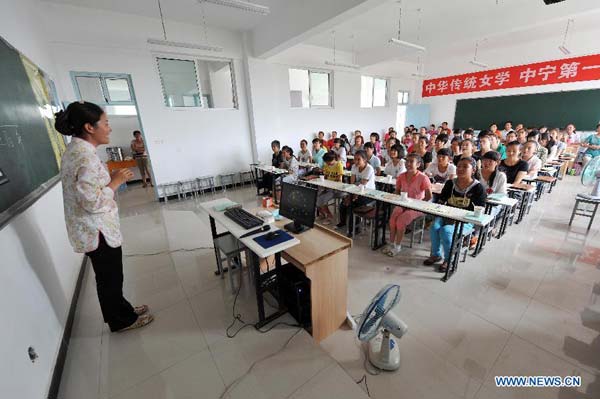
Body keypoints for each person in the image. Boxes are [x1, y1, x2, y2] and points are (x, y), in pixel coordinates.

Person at [57, 101, 153, 332]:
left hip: (91, 228)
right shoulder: (85, 156)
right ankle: (122, 320)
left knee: (109, 276)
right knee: (110, 278)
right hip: (97, 230)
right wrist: (117, 181)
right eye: (106, 123)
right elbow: (91, 201)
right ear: (90, 127)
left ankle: (122, 309)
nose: (109, 128)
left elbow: (88, 187)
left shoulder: (77, 150)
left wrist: (108, 178)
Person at [424, 158, 487, 272]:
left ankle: (449, 259)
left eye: (465, 167)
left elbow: (480, 210)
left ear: (473, 170)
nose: (460, 169)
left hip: (466, 220)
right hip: (447, 216)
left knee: (446, 231)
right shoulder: (450, 183)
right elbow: (441, 201)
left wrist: (460, 218)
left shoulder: (478, 188)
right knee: (434, 227)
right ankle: (436, 254)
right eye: (458, 166)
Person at [383, 154, 432, 257]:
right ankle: (391, 244)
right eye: (407, 161)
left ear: (418, 164)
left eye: (411, 162)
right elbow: (397, 191)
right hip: (403, 203)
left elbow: (429, 196)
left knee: (401, 221)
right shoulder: (401, 176)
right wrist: (394, 198)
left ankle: (397, 246)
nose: (408, 164)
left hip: (417, 207)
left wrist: (416, 204)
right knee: (392, 220)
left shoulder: (423, 178)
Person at [337, 150, 375, 231]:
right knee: (343, 204)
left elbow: (363, 184)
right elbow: (352, 183)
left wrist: (354, 197)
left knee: (353, 206)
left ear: (364, 160)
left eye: (359, 159)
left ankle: (354, 229)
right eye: (355, 159)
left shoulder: (369, 169)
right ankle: (343, 222)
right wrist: (349, 196)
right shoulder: (354, 167)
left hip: (368, 193)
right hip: (356, 191)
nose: (356, 161)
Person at [316, 152, 344, 224]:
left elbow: (339, 179)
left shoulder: (339, 165)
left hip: (336, 189)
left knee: (322, 201)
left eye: (329, 161)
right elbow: (325, 177)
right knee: (316, 198)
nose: (327, 163)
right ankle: (322, 214)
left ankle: (329, 216)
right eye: (326, 162)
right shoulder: (326, 165)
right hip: (327, 187)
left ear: (334, 159)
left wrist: (329, 185)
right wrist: (324, 185)